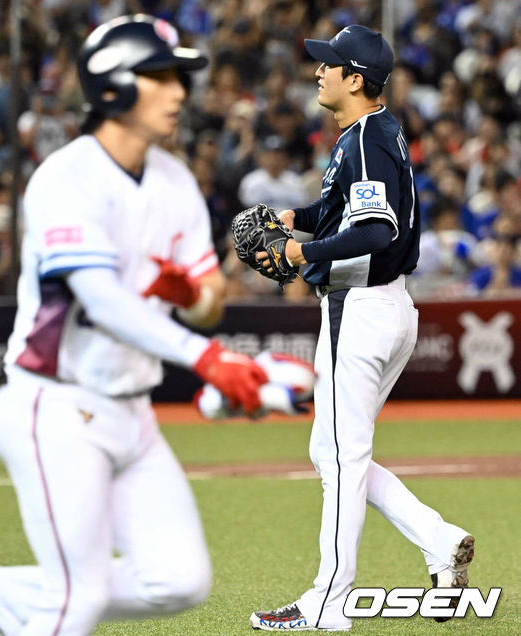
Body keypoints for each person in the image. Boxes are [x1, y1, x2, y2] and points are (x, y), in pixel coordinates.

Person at [0, 15, 269, 636]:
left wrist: (193, 295)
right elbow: (102, 300)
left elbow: (211, 301)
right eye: (160, 76)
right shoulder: (66, 177)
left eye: (179, 78)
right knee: (79, 594)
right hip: (53, 402)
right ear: (113, 85)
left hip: (131, 411)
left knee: (177, 580)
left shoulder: (173, 181)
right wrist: (206, 358)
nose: (179, 92)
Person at [250, 25, 475, 632]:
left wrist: (301, 255)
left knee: (344, 457)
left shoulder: (368, 140)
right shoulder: (371, 133)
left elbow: (376, 233)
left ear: (356, 79)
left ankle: (329, 601)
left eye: (329, 65)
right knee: (333, 452)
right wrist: (292, 218)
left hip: (363, 307)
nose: (317, 72)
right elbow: (344, 208)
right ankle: (438, 538)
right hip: (384, 307)